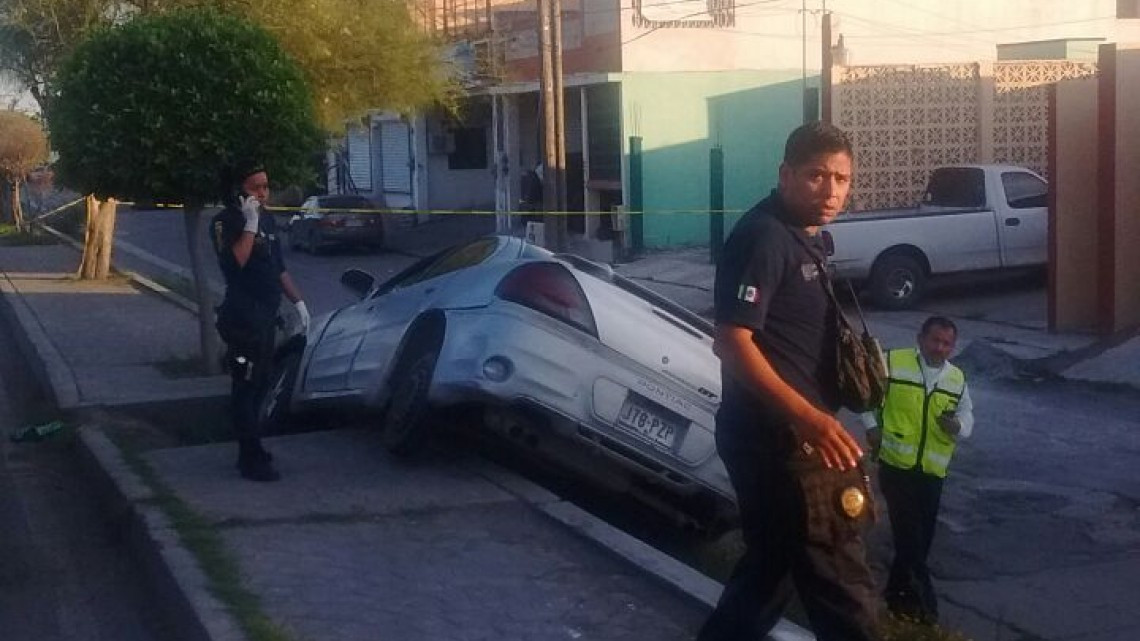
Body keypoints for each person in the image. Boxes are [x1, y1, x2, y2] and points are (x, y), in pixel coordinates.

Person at [699, 122, 880, 641]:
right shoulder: (764, 238)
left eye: (841, 179)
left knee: (768, 575)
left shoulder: (801, 236)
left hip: (782, 437)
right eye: (816, 176)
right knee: (843, 587)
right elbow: (732, 342)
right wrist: (812, 421)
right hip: (786, 445)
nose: (830, 192)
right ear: (785, 174)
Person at [862, 316, 974, 624]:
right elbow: (866, 398)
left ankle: (896, 601)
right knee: (910, 538)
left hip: (933, 472)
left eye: (947, 343)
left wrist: (959, 426)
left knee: (920, 542)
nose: (940, 348)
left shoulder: (956, 378)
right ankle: (926, 608)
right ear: (920, 338)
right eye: (935, 340)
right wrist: (872, 428)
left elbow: (967, 414)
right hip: (897, 467)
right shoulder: (893, 362)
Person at [211, 162, 310, 482]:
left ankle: (252, 447)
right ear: (240, 191)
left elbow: (278, 268)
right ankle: (250, 457)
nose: (263, 194)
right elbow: (236, 262)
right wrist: (250, 223)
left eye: (266, 187)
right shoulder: (226, 221)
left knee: (262, 383)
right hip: (242, 318)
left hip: (266, 317)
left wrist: (299, 303)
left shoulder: (267, 218)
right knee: (246, 384)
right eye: (256, 188)